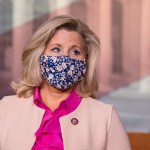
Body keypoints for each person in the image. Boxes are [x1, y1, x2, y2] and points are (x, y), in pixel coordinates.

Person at [0, 15, 131, 150]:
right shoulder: (6, 108)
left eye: (75, 51)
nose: (65, 58)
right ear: (39, 55)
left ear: (85, 62)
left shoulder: (105, 116)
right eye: (56, 49)